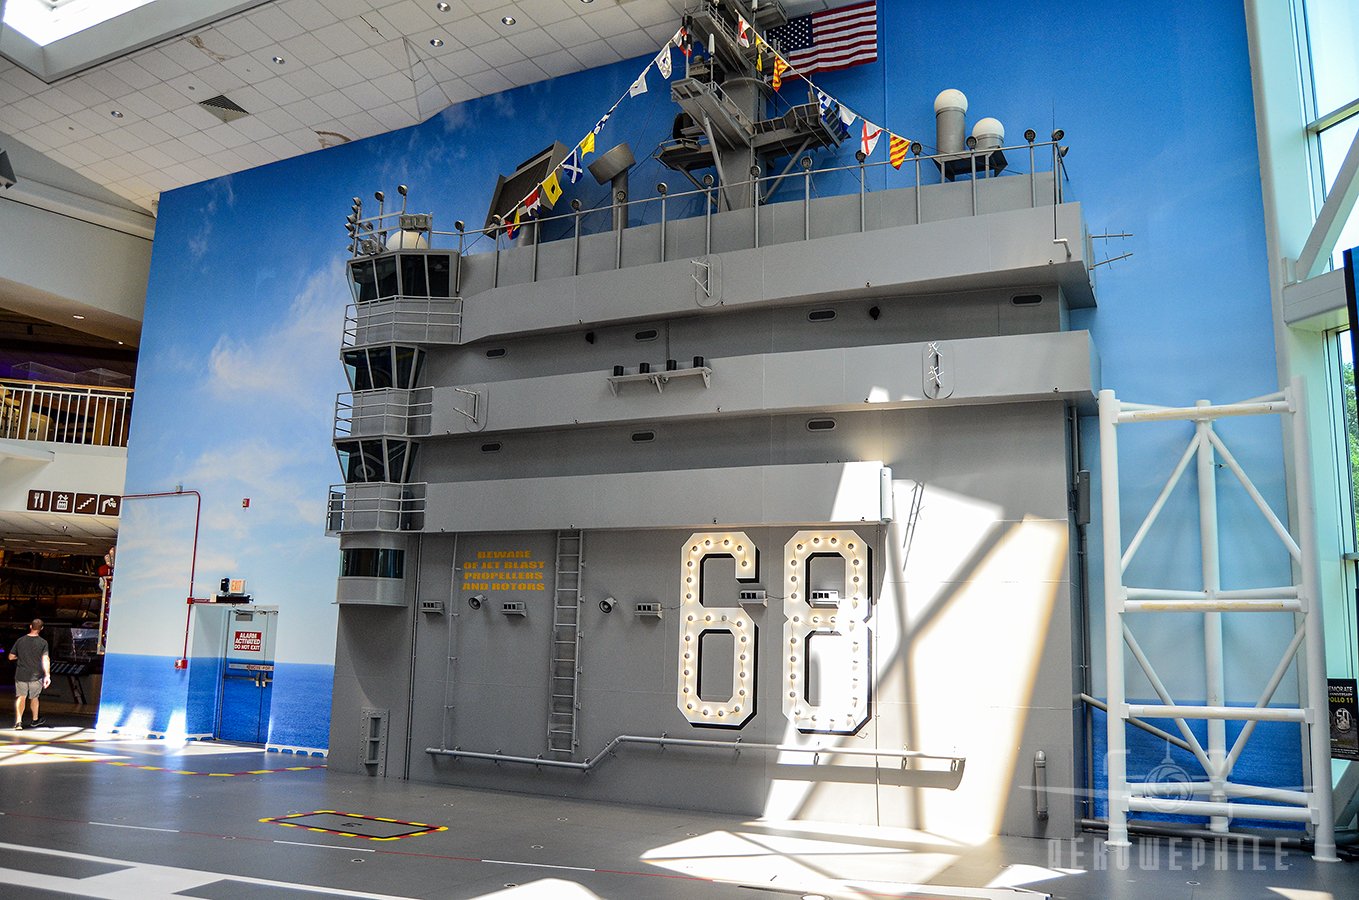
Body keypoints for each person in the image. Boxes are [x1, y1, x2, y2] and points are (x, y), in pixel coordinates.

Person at [8, 619, 50, 730]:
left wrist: (20, 657)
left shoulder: (20, 640)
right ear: (41, 628)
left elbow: (11, 657)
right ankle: (35, 720)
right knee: (34, 698)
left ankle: (18, 722)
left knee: (21, 697)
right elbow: (45, 659)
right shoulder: (43, 643)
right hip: (36, 676)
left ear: (30, 626)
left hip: (21, 674)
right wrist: (47, 675)